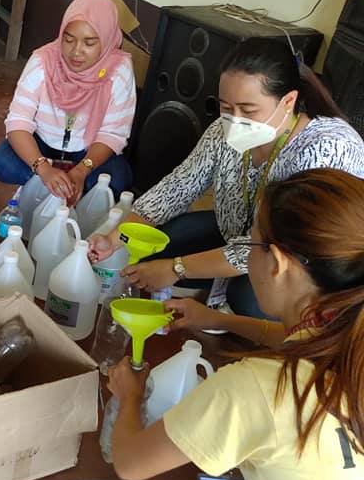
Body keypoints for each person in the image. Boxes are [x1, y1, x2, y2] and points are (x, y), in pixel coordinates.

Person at [58, 168, 364, 480]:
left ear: (276, 262)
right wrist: (215, 318)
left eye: (252, 246)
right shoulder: (348, 335)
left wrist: (130, 391)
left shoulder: (259, 387)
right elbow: (293, 336)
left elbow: (131, 462)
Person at [89, 37, 364, 318]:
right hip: (242, 237)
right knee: (158, 243)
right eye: (226, 107)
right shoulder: (221, 133)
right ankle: (214, 280)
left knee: (246, 298)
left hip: (298, 265)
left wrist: (176, 268)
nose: (234, 119)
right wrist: (115, 238)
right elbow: (174, 190)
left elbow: (277, 246)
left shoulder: (324, 149)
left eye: (248, 110)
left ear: (288, 101)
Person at [0, 0, 136, 203]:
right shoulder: (43, 61)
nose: (76, 51)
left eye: (89, 42)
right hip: (43, 145)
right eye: (68, 39)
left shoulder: (118, 71)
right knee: (4, 163)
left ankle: (59, 188)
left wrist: (81, 171)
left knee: (118, 180)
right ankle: (52, 187)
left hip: (87, 151)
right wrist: (43, 169)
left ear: (105, 41)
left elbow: (113, 134)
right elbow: (18, 123)